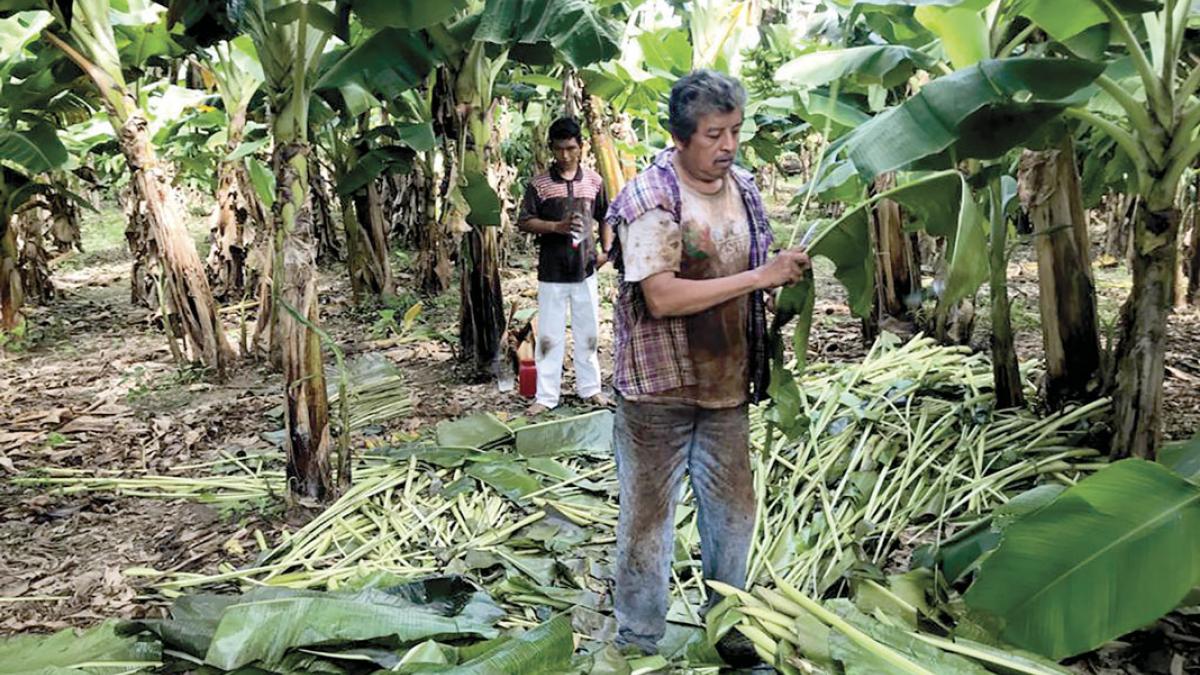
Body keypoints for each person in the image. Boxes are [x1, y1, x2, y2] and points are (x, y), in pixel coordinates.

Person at [603, 70, 811, 658]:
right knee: (648, 520)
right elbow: (661, 297)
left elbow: (755, 264)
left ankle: (729, 625)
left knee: (734, 514)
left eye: (735, 131)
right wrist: (758, 277)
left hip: (726, 385)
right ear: (681, 137)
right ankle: (640, 638)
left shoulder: (744, 188)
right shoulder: (652, 198)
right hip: (658, 391)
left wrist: (779, 278)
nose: (728, 146)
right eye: (714, 134)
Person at [517, 117, 614, 415]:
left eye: (571, 148)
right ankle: (546, 397)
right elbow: (525, 221)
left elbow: (606, 216)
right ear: (551, 149)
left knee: (588, 331)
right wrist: (555, 227)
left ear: (581, 147)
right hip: (552, 272)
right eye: (559, 149)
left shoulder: (594, 181)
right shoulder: (540, 185)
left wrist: (606, 251)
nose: (565, 155)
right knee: (549, 334)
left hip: (585, 268)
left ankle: (591, 389)